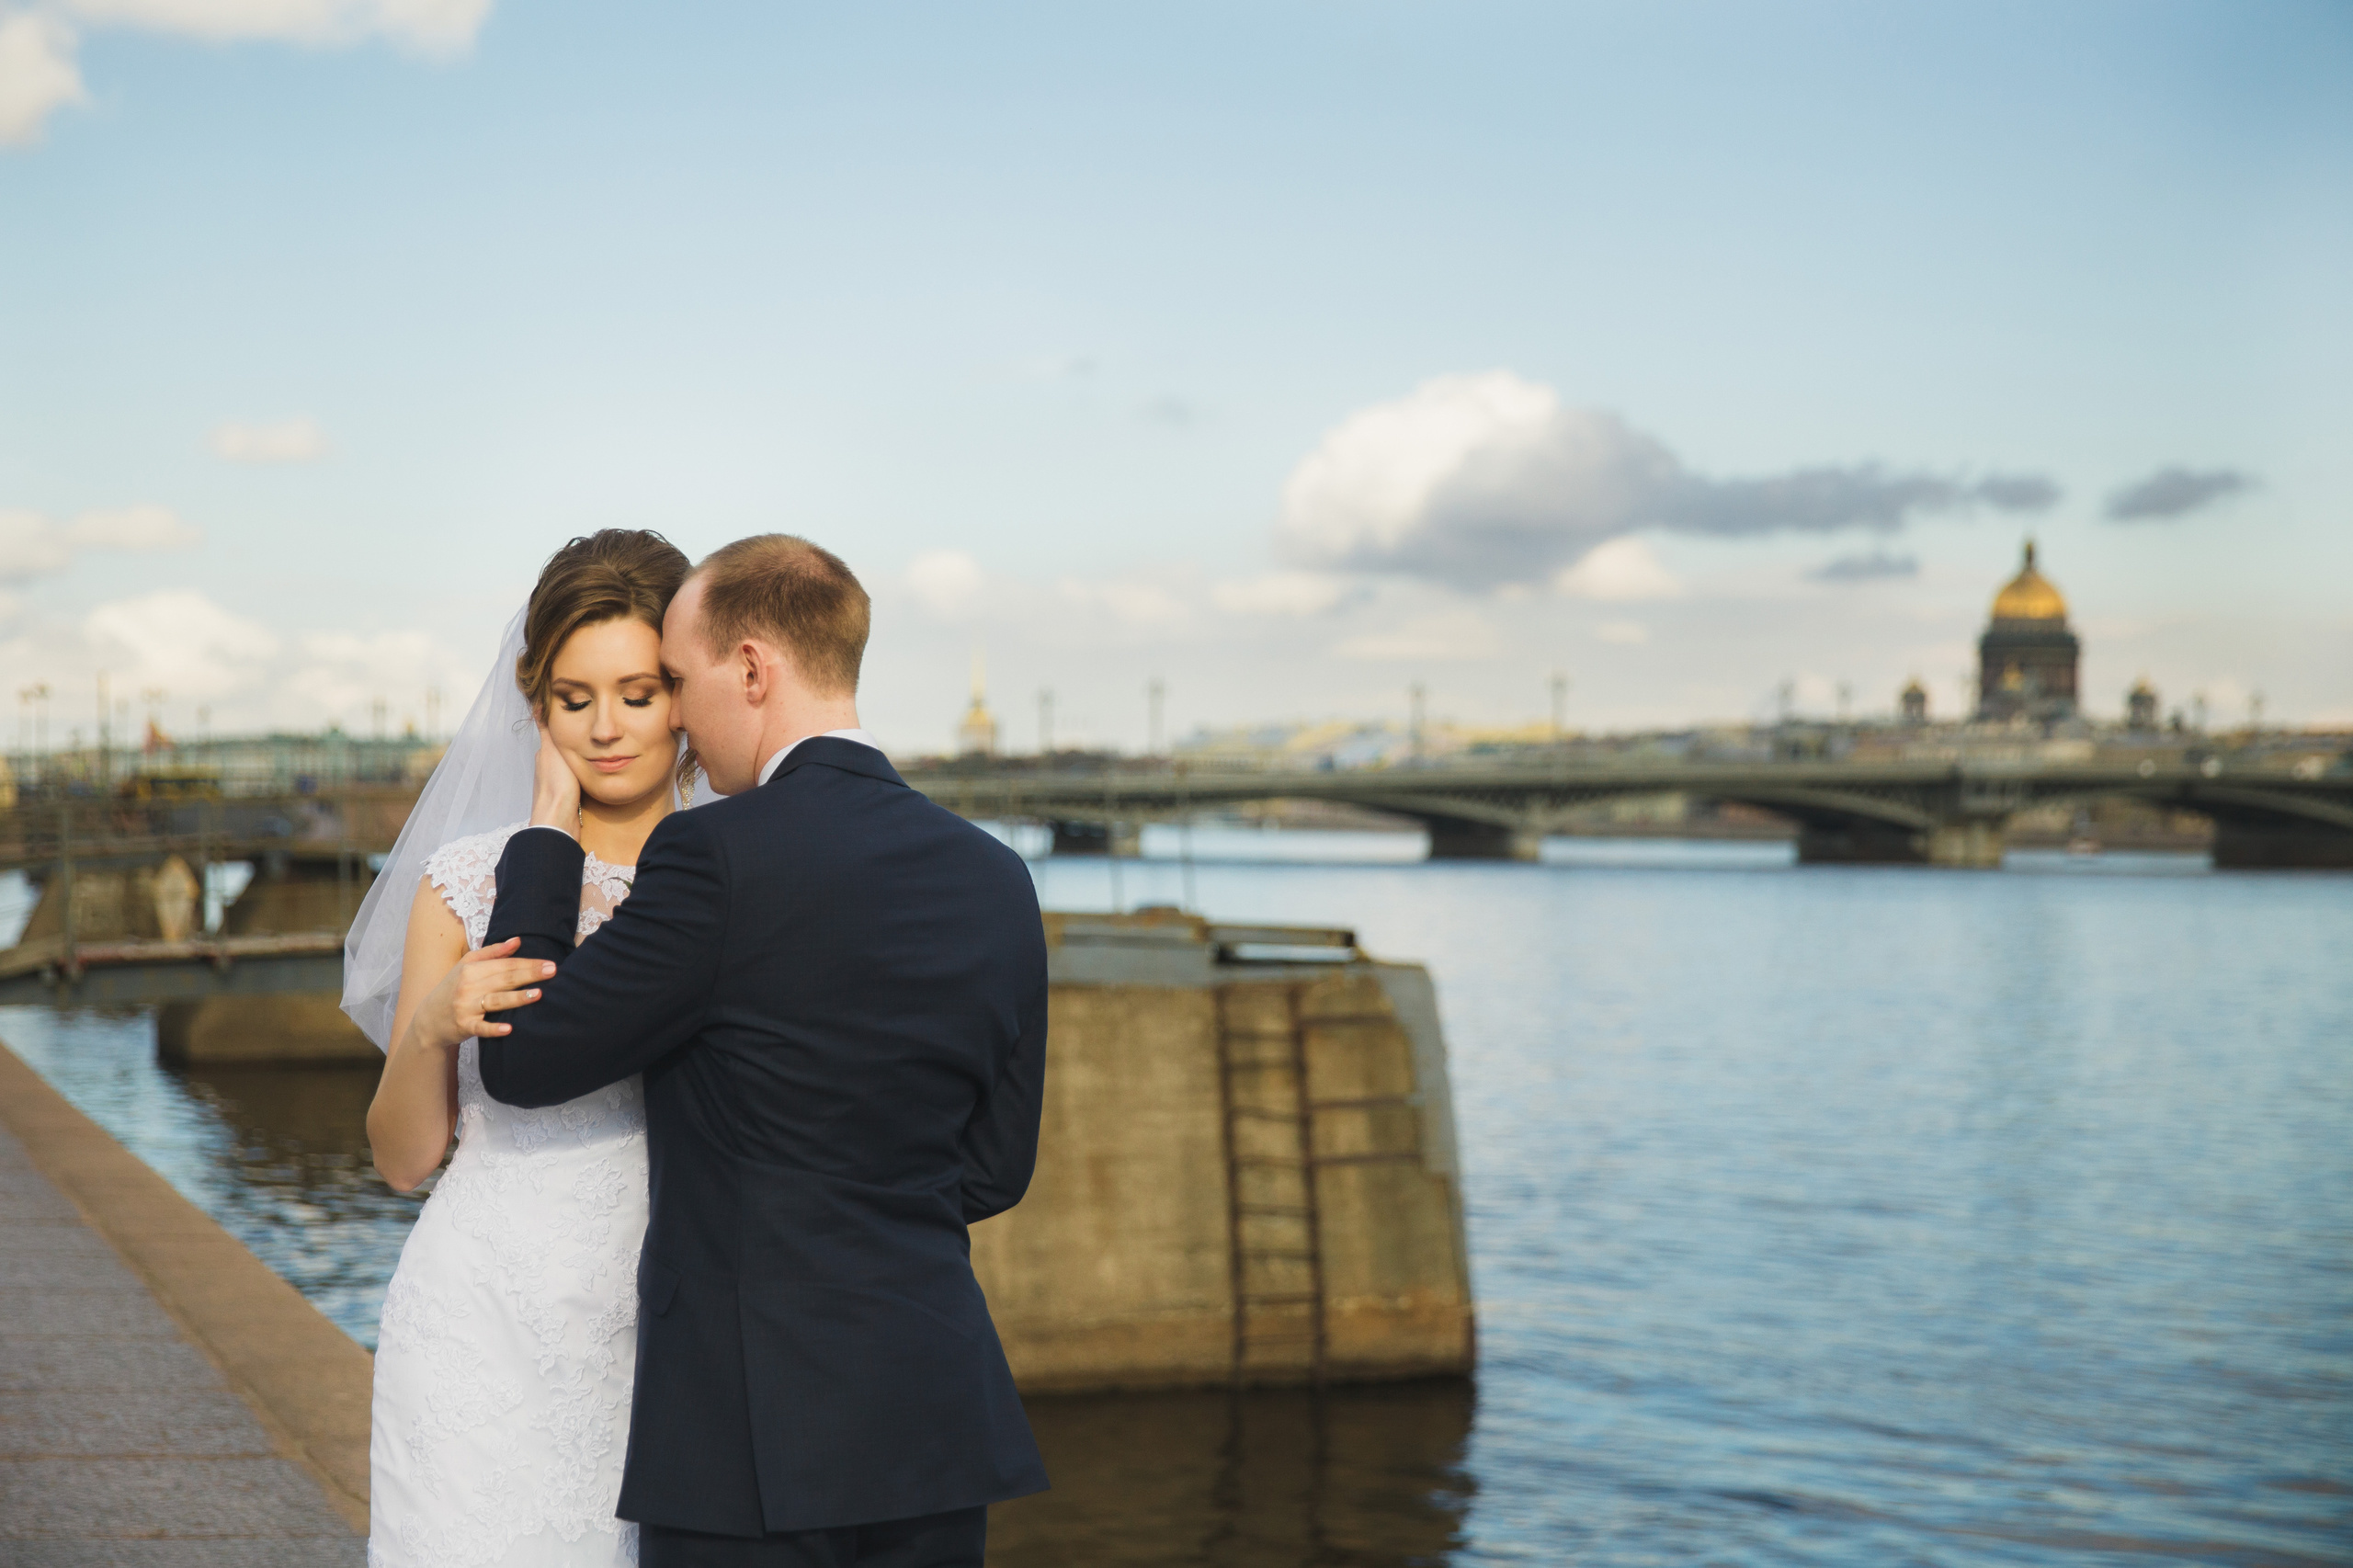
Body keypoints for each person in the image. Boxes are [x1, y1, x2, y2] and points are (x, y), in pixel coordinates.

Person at [475, 534, 1049, 1568]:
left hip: (747, 1433)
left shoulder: (713, 853)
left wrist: (549, 838)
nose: (682, 720)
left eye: (681, 684)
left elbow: (521, 1056)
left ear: (750, 668)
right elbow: (998, 1165)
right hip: (934, 1415)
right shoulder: (997, 873)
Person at [344, 528, 700, 1567]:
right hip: (479, 1320)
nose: (605, 729)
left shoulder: (733, 879)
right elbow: (402, 1158)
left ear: (683, 693)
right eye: (572, 696)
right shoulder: (463, 877)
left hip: (664, 1333)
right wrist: (428, 1024)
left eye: (637, 693)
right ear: (531, 698)